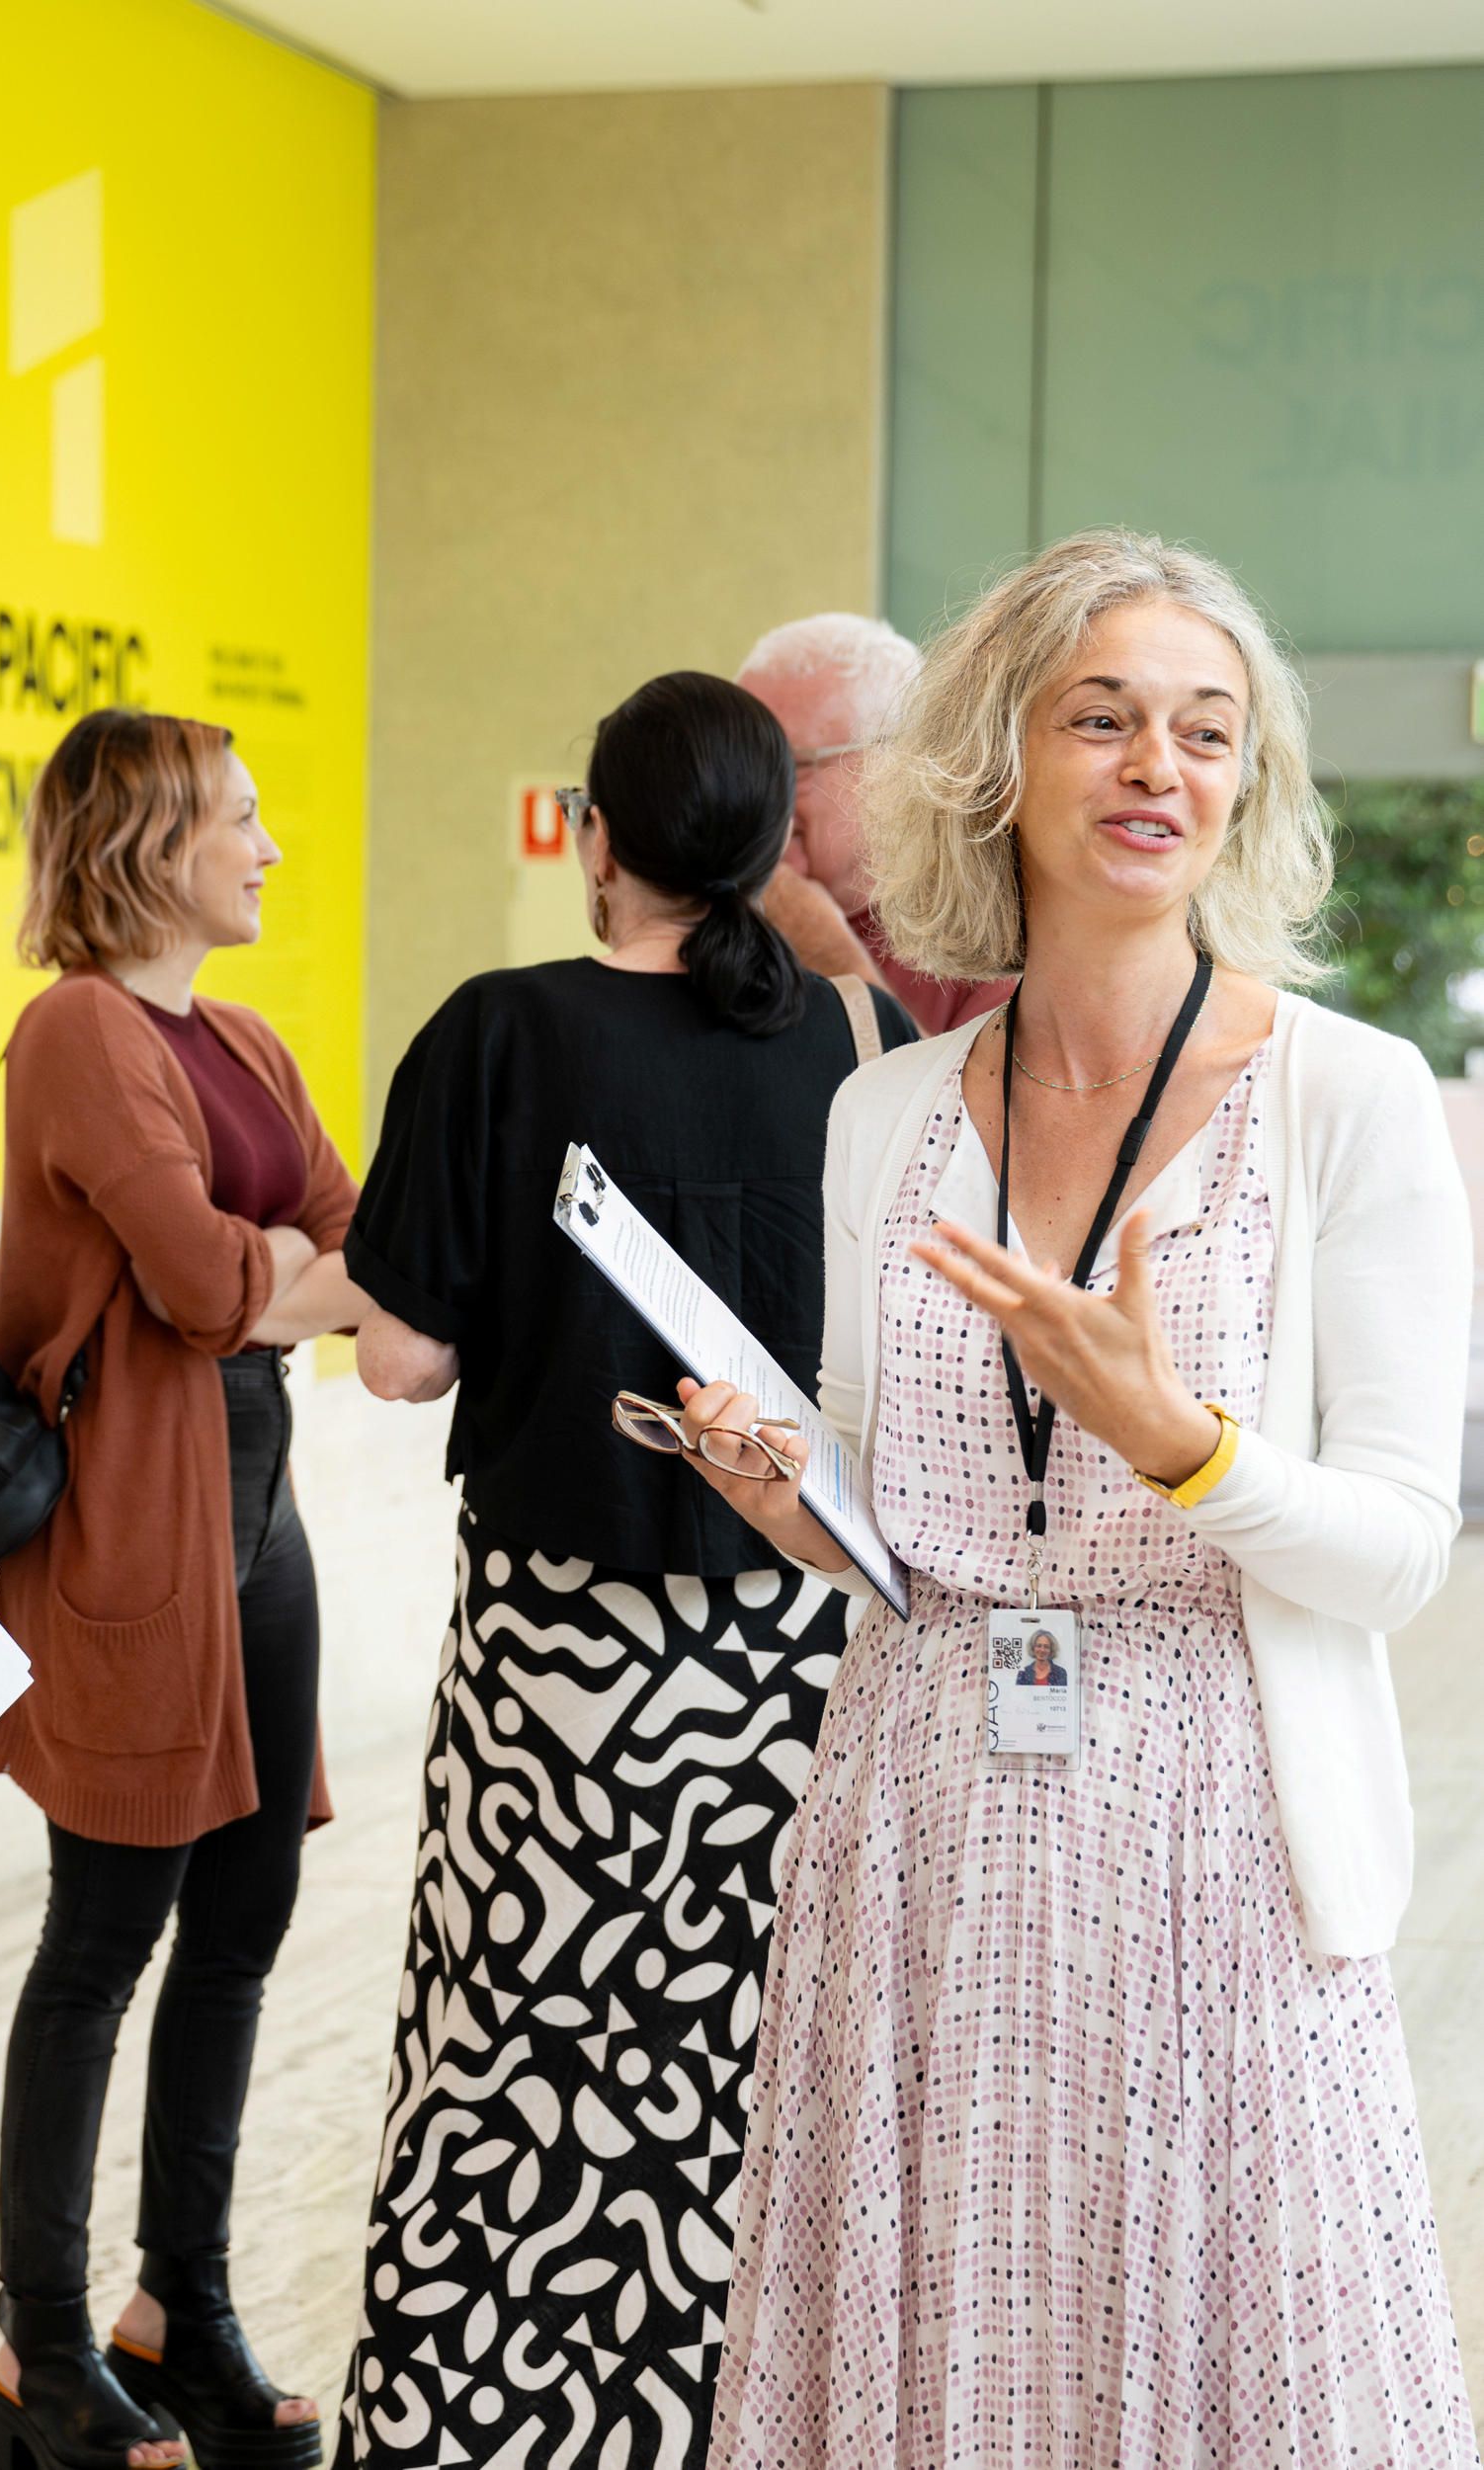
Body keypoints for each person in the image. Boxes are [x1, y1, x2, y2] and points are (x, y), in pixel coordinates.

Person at [679, 532, 1479, 2463]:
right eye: (1100, 716)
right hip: (915, 1838)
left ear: (1245, 781)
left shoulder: (1347, 1098)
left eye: (1202, 730)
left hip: (1215, 1852)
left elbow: (1393, 1549)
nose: (1155, 765)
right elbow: (894, 1520)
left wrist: (1183, 1441)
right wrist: (790, 1487)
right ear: (997, 762)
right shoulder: (885, 1107)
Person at [336, 673, 913, 2470]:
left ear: (595, 835)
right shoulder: (855, 1037)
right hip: (783, 1652)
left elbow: (398, 1363)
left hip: (558, 1671)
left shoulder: (499, 1033)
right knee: (748, 2059)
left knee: (511, 2049)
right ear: (775, 845)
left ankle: (484, 2425)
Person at [0, 705, 364, 2470]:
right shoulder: (78, 1030)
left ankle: (175, 2305)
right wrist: (274, 1271)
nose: (271, 849)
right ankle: (40, 2343)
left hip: (255, 1500)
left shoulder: (250, 1043)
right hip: (139, 1510)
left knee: (247, 1915)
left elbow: (368, 1247)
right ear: (151, 843)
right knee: (104, 1933)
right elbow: (213, 1285)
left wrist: (274, 1273)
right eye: (244, 820)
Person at [740, 613, 1017, 1034]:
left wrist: (833, 961)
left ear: (894, 763)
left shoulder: (991, 934)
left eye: (789, 764)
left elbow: (955, 1102)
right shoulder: (711, 904)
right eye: (741, 762)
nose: (752, 792)